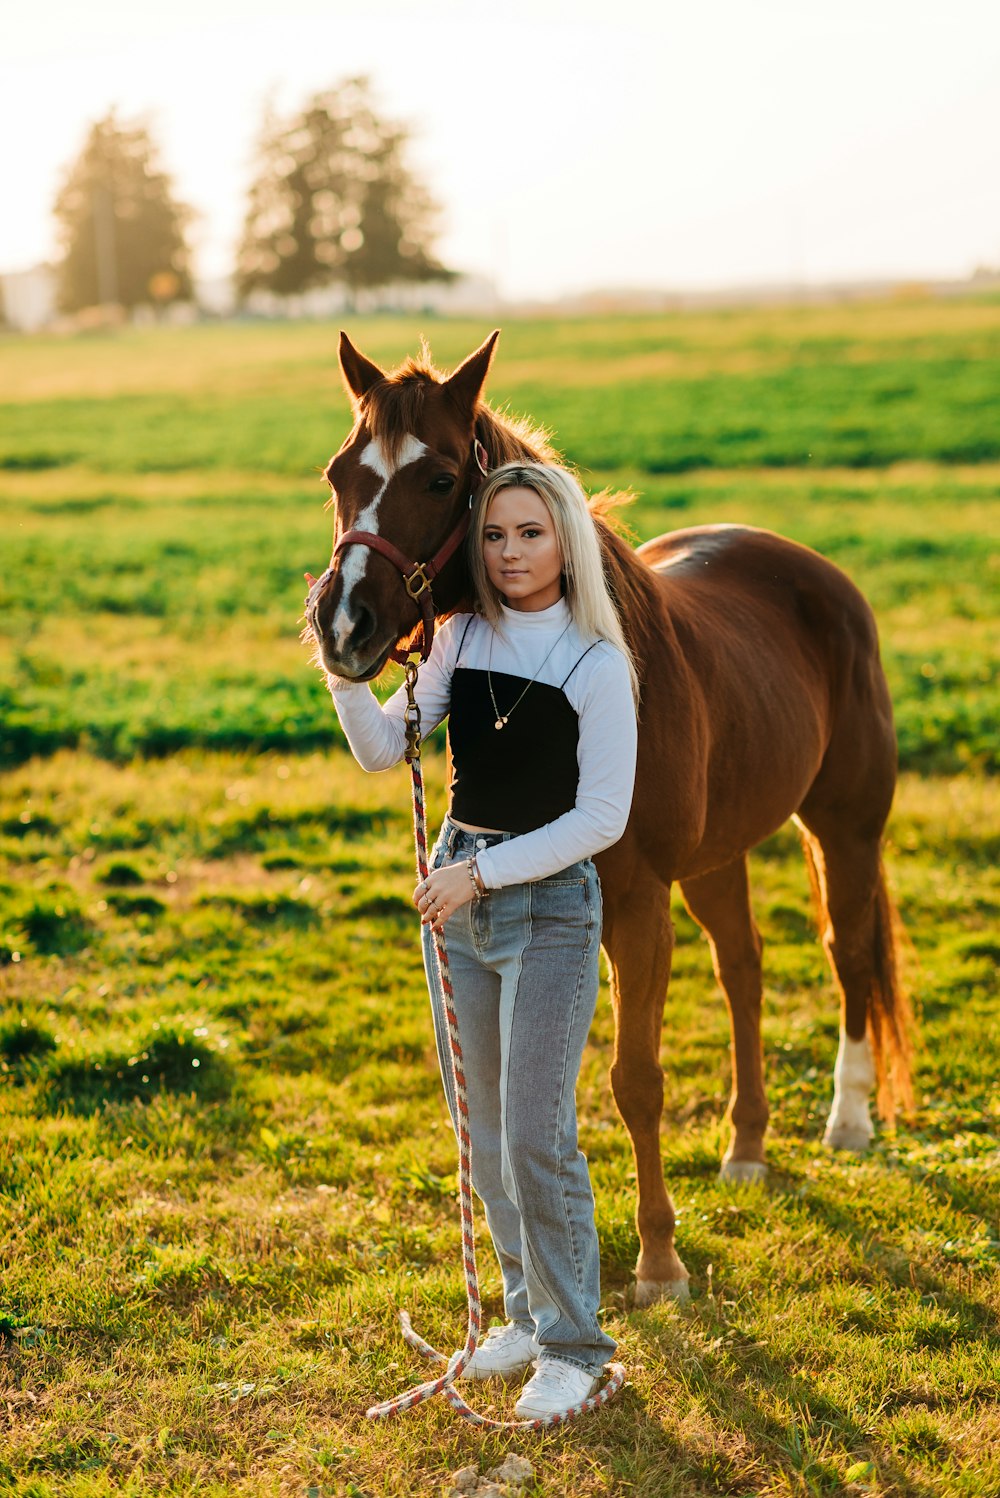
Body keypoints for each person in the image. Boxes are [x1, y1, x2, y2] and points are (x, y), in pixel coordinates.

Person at [325, 461, 639, 1420]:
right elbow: (387, 750)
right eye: (496, 536)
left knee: (537, 1135)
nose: (510, 554)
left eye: (531, 535)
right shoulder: (460, 638)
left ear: (566, 542)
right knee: (486, 1130)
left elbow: (604, 818)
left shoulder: (596, 663)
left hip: (546, 910)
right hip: (459, 906)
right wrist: (343, 664)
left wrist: (481, 874)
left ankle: (577, 1349)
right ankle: (524, 1312)